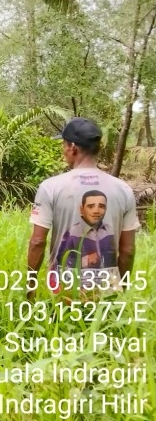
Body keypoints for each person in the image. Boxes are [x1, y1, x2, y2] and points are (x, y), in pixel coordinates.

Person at [27, 117, 139, 299]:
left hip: (63, 295)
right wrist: (120, 290)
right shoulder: (123, 189)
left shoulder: (51, 187)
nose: (64, 151)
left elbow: (37, 242)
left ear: (72, 147)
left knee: (59, 327)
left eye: (64, 145)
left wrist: (30, 288)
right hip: (105, 297)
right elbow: (128, 250)